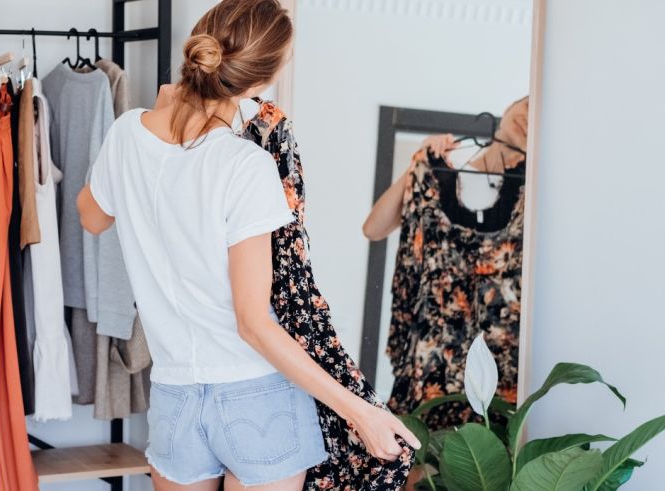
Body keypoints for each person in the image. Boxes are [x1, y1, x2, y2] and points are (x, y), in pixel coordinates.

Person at [77, 1, 419, 490]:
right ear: (260, 84)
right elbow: (254, 325)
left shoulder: (127, 133)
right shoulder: (246, 165)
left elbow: (90, 216)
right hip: (257, 397)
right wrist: (359, 412)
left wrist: (160, 117)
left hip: (175, 397)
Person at [363, 97, 528, 242]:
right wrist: (419, 165)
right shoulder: (447, 166)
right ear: (510, 107)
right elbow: (373, 230)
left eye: (538, 118)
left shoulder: (526, 198)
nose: (529, 119)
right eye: (528, 106)